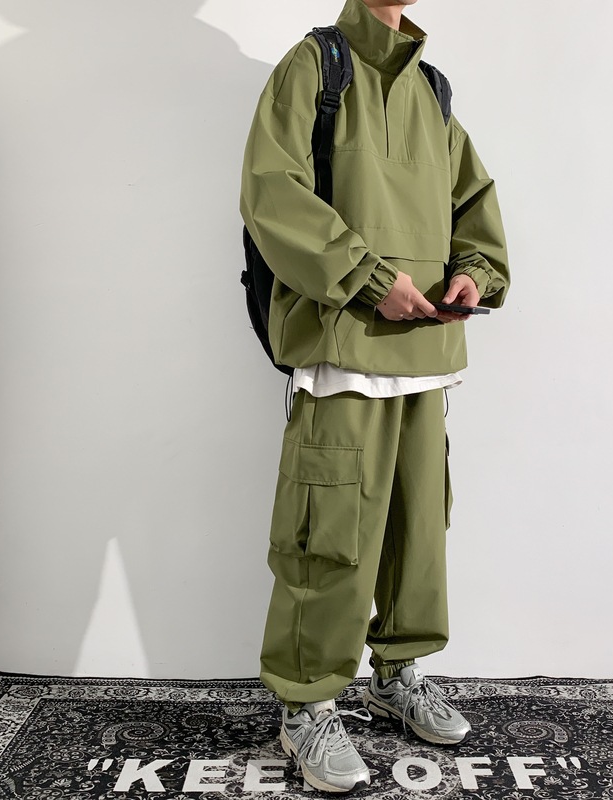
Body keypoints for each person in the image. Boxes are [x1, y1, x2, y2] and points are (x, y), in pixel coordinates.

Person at [239, 0, 509, 792]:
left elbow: (473, 204)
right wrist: (367, 278)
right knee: (327, 535)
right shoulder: (313, 66)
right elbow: (272, 193)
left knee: (416, 530)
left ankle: (397, 673)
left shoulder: (432, 89)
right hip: (342, 347)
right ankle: (305, 705)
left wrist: (474, 273)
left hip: (427, 352)